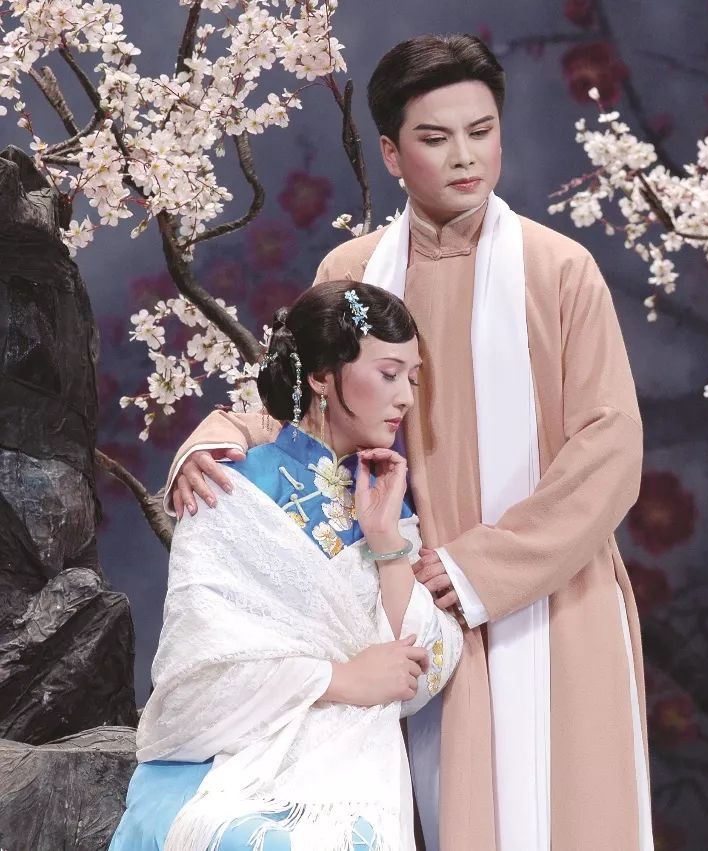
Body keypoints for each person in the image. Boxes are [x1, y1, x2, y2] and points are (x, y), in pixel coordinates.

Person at [162, 34, 651, 851]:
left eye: (482, 131)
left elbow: (611, 447)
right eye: (435, 137)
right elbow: (312, 405)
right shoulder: (355, 270)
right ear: (391, 153)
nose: (466, 156)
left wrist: (481, 565)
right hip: (406, 600)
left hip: (552, 593)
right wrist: (215, 436)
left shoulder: (560, 270)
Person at [110, 281, 463, 850]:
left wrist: (384, 541)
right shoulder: (228, 485)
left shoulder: (388, 500)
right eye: (388, 373)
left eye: (413, 379)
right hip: (229, 760)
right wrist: (340, 678)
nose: (405, 398)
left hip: (349, 762)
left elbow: (423, 666)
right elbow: (193, 678)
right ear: (321, 377)